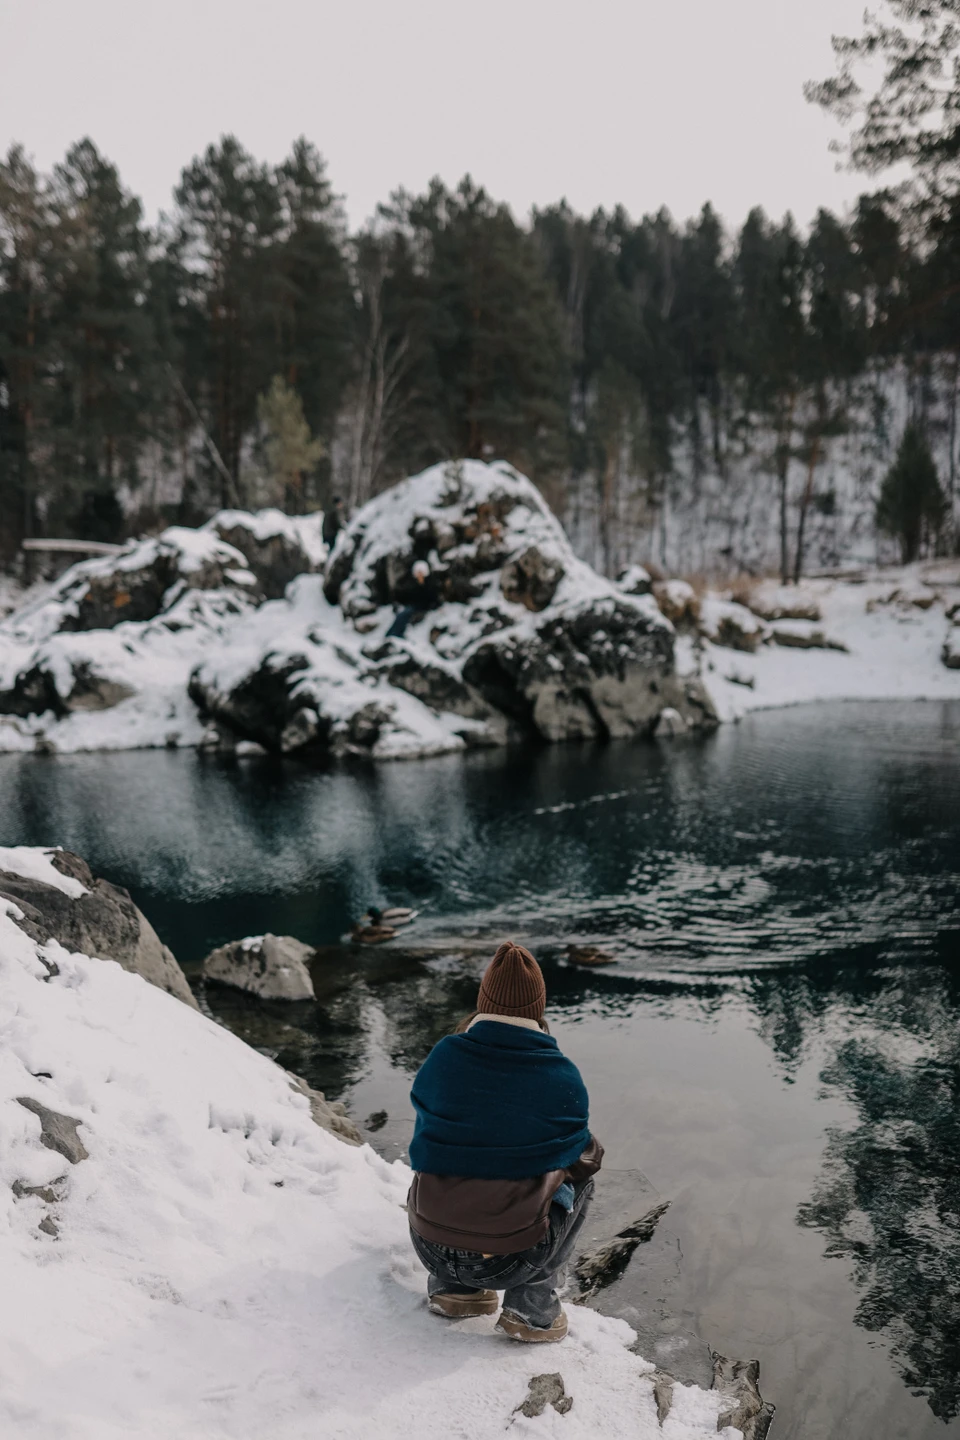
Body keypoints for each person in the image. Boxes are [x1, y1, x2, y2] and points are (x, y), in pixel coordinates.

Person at [407, 940, 603, 1343]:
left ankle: (453, 1291)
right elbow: (577, 1159)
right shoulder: (560, 1074)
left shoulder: (444, 1057)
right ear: (538, 1007)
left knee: (437, 1153)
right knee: (582, 1175)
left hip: (429, 1244)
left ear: (484, 1001)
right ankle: (531, 1311)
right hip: (508, 1259)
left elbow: (425, 1138)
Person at [385, 560, 441, 639]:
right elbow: (407, 596)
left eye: (421, 572)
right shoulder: (413, 584)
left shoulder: (429, 584)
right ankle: (391, 635)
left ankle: (393, 635)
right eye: (418, 573)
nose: (419, 575)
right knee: (401, 614)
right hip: (413, 606)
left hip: (422, 607)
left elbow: (433, 597)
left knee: (404, 614)